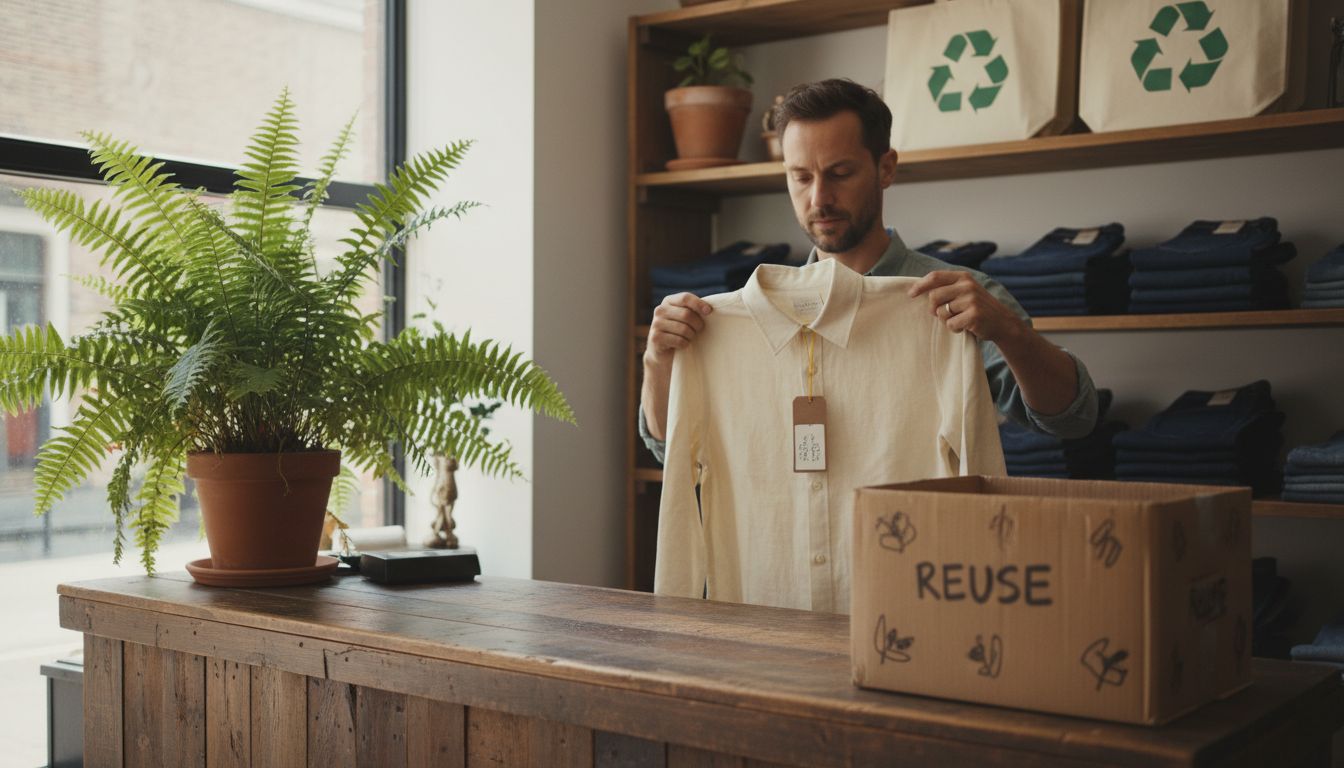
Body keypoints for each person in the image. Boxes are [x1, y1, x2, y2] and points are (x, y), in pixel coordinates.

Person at [639, 78, 1099, 462]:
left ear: (886, 168)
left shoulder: (959, 300)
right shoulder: (744, 317)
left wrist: (1010, 333)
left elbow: (1073, 418)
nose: (819, 198)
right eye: (801, 177)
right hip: (784, 566)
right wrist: (658, 361)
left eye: (839, 173)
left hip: (909, 558)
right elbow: (671, 451)